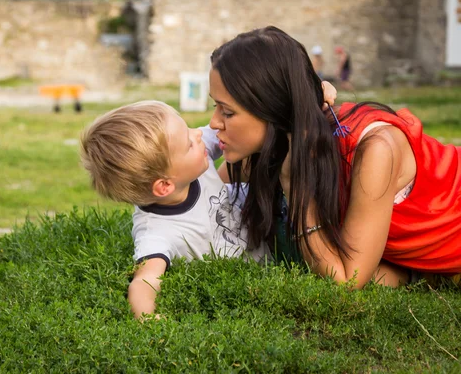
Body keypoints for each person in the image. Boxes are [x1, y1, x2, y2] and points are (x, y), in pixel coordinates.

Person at [208, 26, 461, 289]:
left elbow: (347, 281)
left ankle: (418, 274)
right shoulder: (276, 140)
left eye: (227, 112)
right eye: (215, 106)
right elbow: (206, 193)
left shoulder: (373, 151)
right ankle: (415, 274)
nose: (214, 123)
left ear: (270, 110)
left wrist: (294, 185)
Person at [80, 100, 272, 320]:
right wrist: (146, 317)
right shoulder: (156, 232)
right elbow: (146, 280)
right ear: (165, 186)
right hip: (264, 260)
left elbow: (235, 130)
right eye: (188, 143)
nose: (197, 135)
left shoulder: (191, 156)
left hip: (269, 214)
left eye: (188, 128)